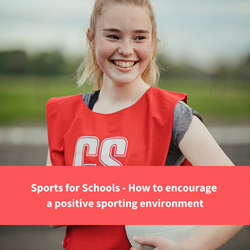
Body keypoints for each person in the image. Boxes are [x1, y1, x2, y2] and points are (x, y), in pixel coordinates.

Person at [46, 0, 243, 249]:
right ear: (92, 38)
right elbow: (50, 212)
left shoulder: (172, 114)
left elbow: (239, 197)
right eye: (113, 36)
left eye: (139, 38)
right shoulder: (65, 113)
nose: (126, 49)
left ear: (153, 41)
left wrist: (190, 247)